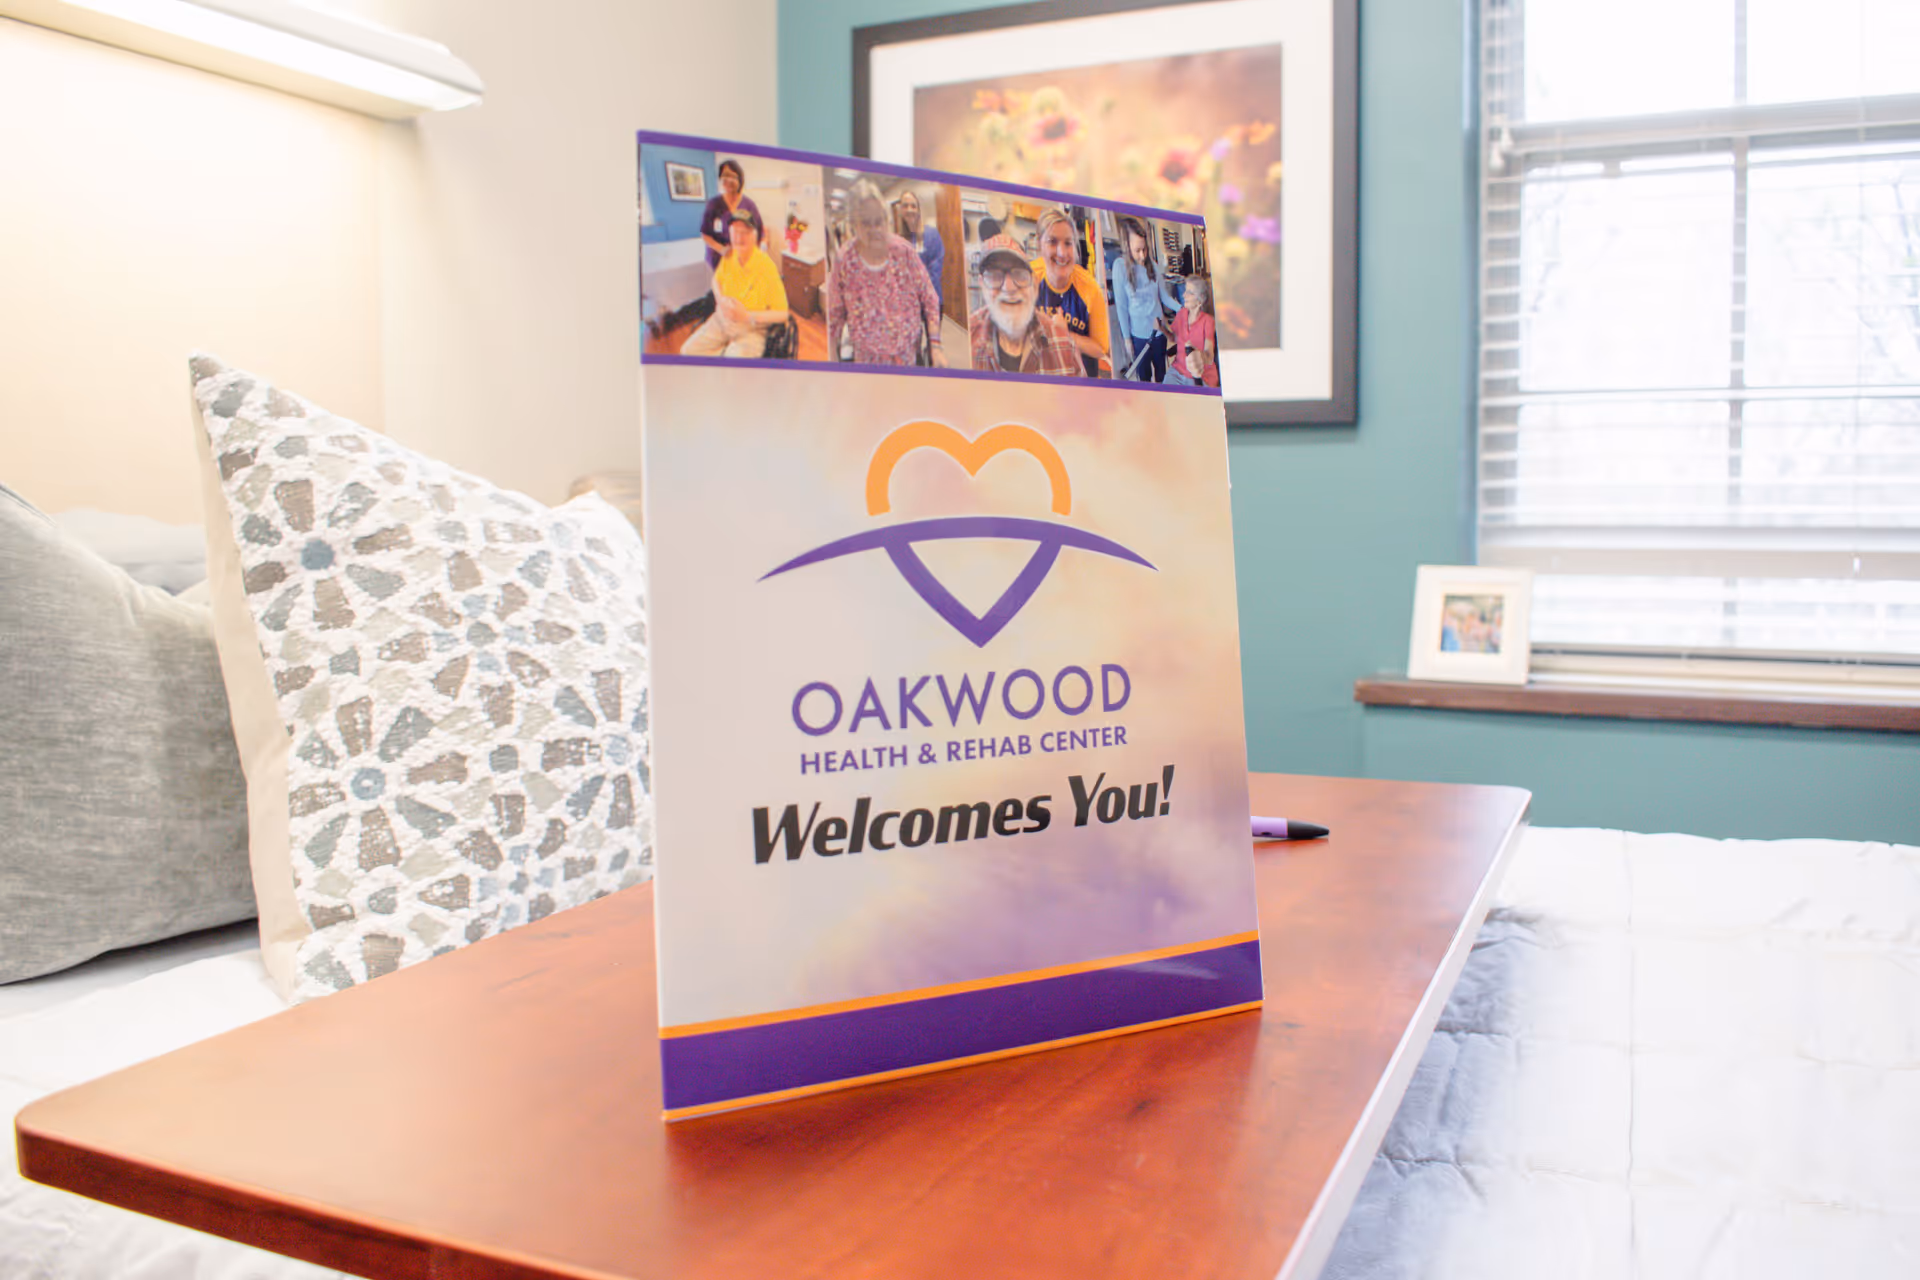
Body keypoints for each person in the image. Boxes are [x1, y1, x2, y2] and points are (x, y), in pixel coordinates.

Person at [825, 179, 945, 367]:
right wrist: (832, 359)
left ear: (886, 218)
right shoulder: (845, 260)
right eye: (866, 223)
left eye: (879, 221)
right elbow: (834, 316)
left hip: (906, 357)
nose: (875, 230)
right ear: (854, 224)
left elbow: (930, 298)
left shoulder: (903, 251)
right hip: (867, 361)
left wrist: (935, 346)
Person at [967, 232, 1084, 376]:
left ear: (1033, 284)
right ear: (982, 285)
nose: (1008, 288)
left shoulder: (1064, 345)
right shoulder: (965, 341)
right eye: (995, 275)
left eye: (1019, 274)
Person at [681, 212, 788, 358]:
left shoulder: (767, 267)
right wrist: (720, 299)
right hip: (722, 318)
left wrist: (747, 316)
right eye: (735, 232)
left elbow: (782, 315)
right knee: (687, 352)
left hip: (751, 328)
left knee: (732, 370)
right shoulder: (729, 257)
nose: (739, 237)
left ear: (755, 235)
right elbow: (715, 280)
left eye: (745, 232)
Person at [1029, 207, 1111, 377]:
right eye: (1052, 242)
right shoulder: (1027, 280)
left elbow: (1100, 349)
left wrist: (1064, 334)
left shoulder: (1090, 289)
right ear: (1039, 245)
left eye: (1068, 243)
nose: (1062, 253)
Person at [1109, 216, 1180, 382]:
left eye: (1144, 250)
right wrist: (1127, 339)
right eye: (1137, 250)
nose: (1142, 256)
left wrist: (1182, 309)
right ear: (1127, 247)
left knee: (1162, 376)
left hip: (1159, 334)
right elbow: (1121, 307)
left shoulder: (1153, 265)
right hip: (1139, 337)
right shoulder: (1120, 267)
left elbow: (1164, 297)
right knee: (1145, 379)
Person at [699, 158, 763, 270]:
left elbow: (760, 230)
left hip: (741, 260)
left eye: (732, 176)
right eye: (724, 176)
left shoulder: (749, 205)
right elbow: (705, 234)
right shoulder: (713, 204)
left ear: (740, 180)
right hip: (718, 259)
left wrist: (755, 253)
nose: (728, 180)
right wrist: (722, 249)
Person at [895, 188, 946, 316]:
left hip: (932, 300)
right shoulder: (898, 241)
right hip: (909, 305)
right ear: (900, 210)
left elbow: (935, 272)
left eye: (913, 206)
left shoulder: (931, 234)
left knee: (933, 336)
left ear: (918, 210)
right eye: (905, 206)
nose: (909, 209)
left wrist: (919, 295)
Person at [1167, 274, 1219, 387]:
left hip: (1199, 374)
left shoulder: (1208, 321)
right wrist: (1161, 328)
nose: (1184, 295)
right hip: (1177, 371)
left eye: (1189, 293)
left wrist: (1197, 354)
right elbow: (1173, 338)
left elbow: (1209, 358)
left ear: (1200, 300)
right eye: (1185, 291)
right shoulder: (1181, 314)